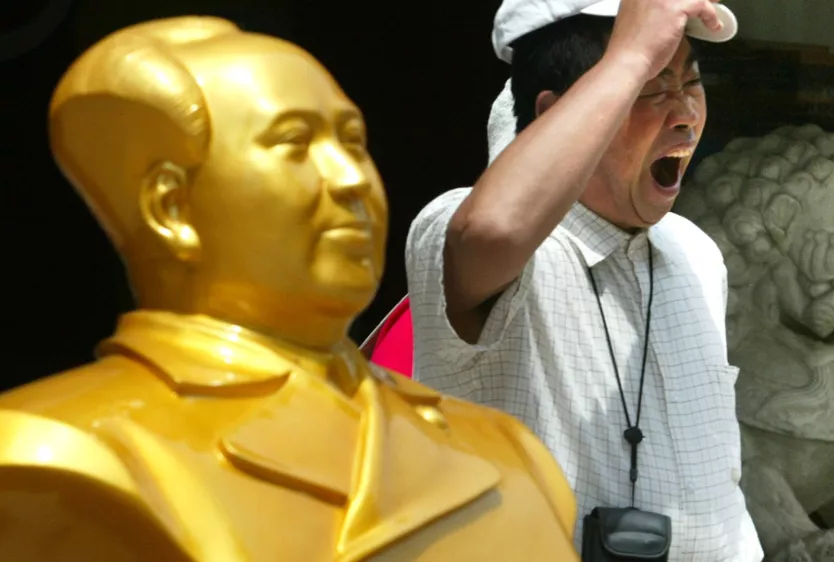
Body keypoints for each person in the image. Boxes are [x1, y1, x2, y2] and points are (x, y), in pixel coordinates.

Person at [0, 16, 579, 561]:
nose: (353, 178)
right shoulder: (55, 452)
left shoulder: (510, 453)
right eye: (295, 143)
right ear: (168, 207)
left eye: (352, 142)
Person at [405, 0, 764, 559]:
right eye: (651, 88)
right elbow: (495, 230)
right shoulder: (455, 228)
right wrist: (629, 58)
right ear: (555, 112)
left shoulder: (696, 253)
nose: (686, 115)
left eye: (690, 83)